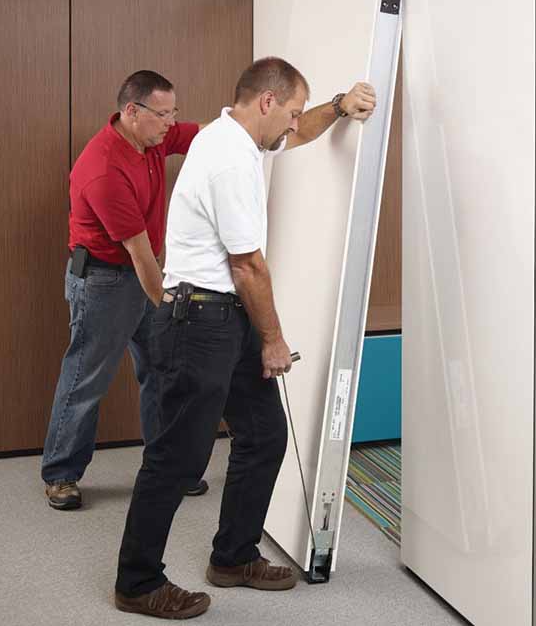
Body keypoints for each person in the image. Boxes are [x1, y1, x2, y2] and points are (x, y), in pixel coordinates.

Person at [113, 57, 377, 619]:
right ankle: (136, 582)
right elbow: (248, 266)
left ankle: (232, 557)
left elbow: (298, 133)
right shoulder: (229, 159)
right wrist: (274, 340)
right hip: (199, 323)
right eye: (291, 111)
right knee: (177, 459)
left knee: (262, 435)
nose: (293, 124)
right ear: (266, 102)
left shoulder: (238, 134)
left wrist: (338, 104)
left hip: (223, 318)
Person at [42, 70, 210, 510]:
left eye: (175, 113)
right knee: (87, 377)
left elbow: (213, 136)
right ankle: (60, 475)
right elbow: (138, 254)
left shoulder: (153, 138)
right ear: (132, 112)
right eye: (163, 114)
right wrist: (171, 309)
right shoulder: (103, 168)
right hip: (104, 281)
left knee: (160, 369)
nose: (172, 123)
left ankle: (165, 466)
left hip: (144, 269)